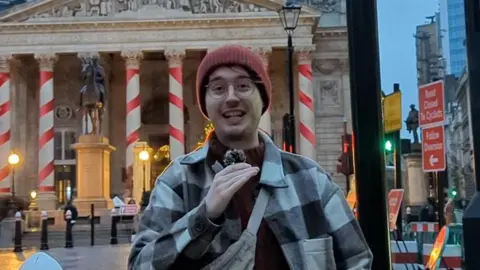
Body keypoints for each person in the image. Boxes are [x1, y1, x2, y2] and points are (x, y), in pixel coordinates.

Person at [128, 45, 373, 270]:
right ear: (205, 103)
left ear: (263, 98)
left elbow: (357, 261)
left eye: (244, 85)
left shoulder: (313, 181)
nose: (231, 97)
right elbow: (141, 265)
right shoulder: (177, 181)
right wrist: (203, 218)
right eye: (218, 88)